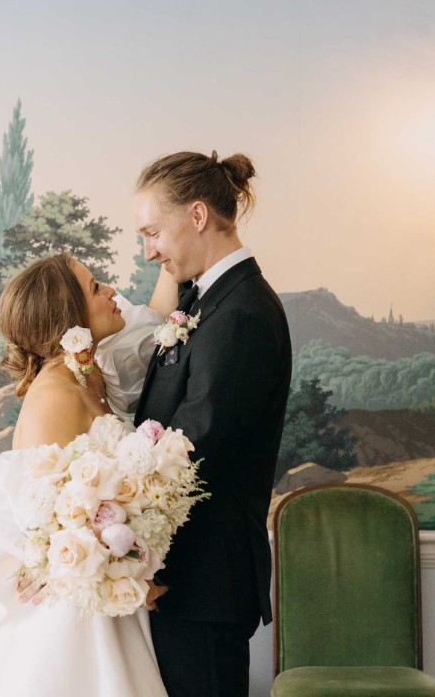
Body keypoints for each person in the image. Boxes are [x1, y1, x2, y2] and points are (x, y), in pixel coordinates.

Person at [0, 252, 176, 697]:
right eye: (96, 288)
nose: (112, 292)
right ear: (68, 318)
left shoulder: (87, 372)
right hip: (67, 619)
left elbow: (158, 316)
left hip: (107, 606)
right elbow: (48, 528)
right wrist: (123, 571)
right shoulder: (54, 394)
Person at [132, 152, 292, 697]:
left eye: (153, 231)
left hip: (204, 581)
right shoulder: (211, 299)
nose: (149, 249)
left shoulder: (241, 314)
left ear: (197, 216)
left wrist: (124, 548)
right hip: (188, 581)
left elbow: (193, 450)